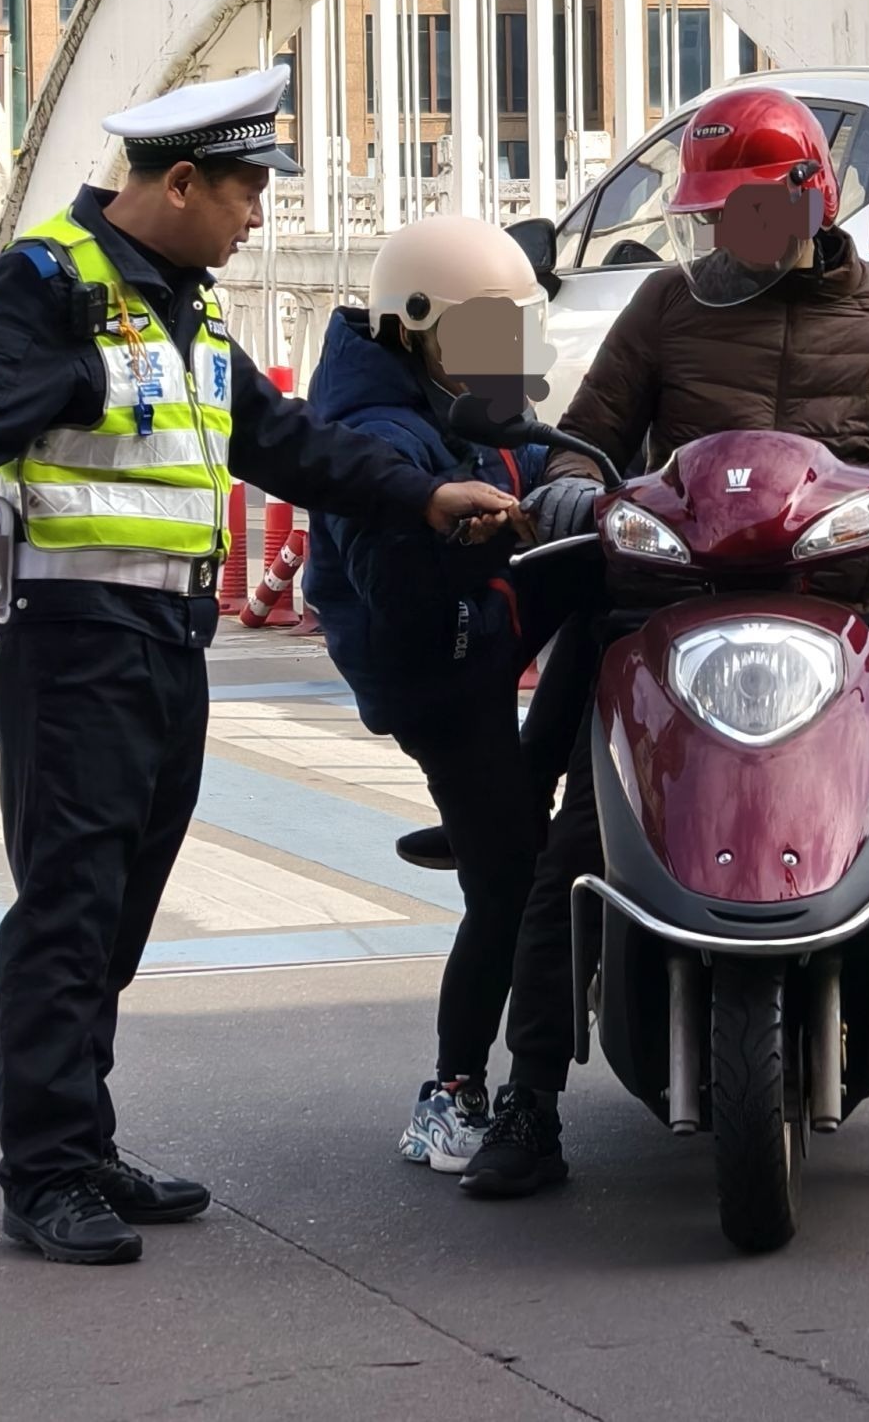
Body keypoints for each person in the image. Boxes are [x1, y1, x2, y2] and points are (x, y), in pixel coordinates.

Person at [0, 67, 516, 1268]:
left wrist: (425, 496)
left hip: (168, 644)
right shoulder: (52, 288)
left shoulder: (189, 311)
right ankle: (44, 1173)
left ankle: (83, 1141)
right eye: (247, 189)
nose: (258, 213)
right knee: (68, 908)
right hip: (72, 644)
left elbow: (293, 445)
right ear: (179, 181)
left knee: (120, 907)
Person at [459, 84, 869, 1202]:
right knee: (576, 840)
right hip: (668, 609)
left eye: (749, 207)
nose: (730, 231)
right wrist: (574, 488)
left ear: (810, 196)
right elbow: (590, 432)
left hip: (842, 615)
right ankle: (526, 1097)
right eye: (715, 212)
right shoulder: (668, 307)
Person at [304, 215, 597, 1173]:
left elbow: (528, 444)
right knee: (509, 883)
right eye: (487, 334)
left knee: (616, 584)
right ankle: (454, 1087)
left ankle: (522, 787)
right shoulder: (376, 429)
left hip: (486, 607)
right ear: (418, 326)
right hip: (433, 659)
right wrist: (453, 534)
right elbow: (395, 583)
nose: (507, 354)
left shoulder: (458, 382)